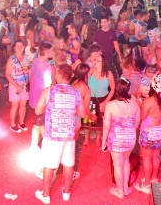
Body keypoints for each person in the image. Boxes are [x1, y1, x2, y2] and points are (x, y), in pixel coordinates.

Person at [34, 64, 87, 204]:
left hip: (52, 135)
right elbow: (82, 114)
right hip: (69, 135)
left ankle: (46, 195)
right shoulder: (76, 93)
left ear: (58, 75)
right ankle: (66, 193)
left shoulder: (49, 91)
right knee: (68, 164)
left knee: (49, 165)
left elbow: (38, 110)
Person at [101, 77, 140, 199]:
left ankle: (120, 191)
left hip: (115, 138)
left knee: (117, 165)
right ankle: (126, 188)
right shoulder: (135, 104)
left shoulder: (111, 105)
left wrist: (104, 141)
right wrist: (129, 132)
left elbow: (106, 125)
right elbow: (137, 122)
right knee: (126, 162)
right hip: (130, 137)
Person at [135, 74, 161, 194]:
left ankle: (146, 184)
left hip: (149, 132)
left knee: (146, 158)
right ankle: (153, 179)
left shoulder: (149, 100)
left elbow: (142, 117)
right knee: (156, 156)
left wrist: (140, 105)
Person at [28, 42, 55, 150]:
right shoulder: (47, 67)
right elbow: (48, 85)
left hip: (34, 96)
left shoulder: (34, 61)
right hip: (42, 99)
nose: (53, 52)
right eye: (51, 51)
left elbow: (30, 77)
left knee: (40, 122)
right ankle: (34, 145)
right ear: (47, 52)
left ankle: (43, 142)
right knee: (38, 122)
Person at [86, 56, 115, 147]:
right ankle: (86, 139)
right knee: (88, 118)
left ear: (103, 63)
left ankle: (98, 139)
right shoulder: (90, 71)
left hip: (103, 99)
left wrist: (106, 102)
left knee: (100, 121)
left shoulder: (108, 73)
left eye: (98, 61)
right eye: (95, 60)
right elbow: (85, 85)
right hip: (90, 98)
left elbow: (113, 89)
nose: (95, 62)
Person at [5, 40, 30, 133]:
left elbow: (29, 70)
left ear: (24, 47)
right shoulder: (12, 60)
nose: (19, 48)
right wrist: (16, 86)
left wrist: (29, 81)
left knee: (23, 104)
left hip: (25, 84)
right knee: (15, 105)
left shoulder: (26, 58)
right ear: (14, 48)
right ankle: (12, 125)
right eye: (17, 46)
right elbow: (7, 74)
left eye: (21, 46)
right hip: (15, 84)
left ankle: (21, 122)